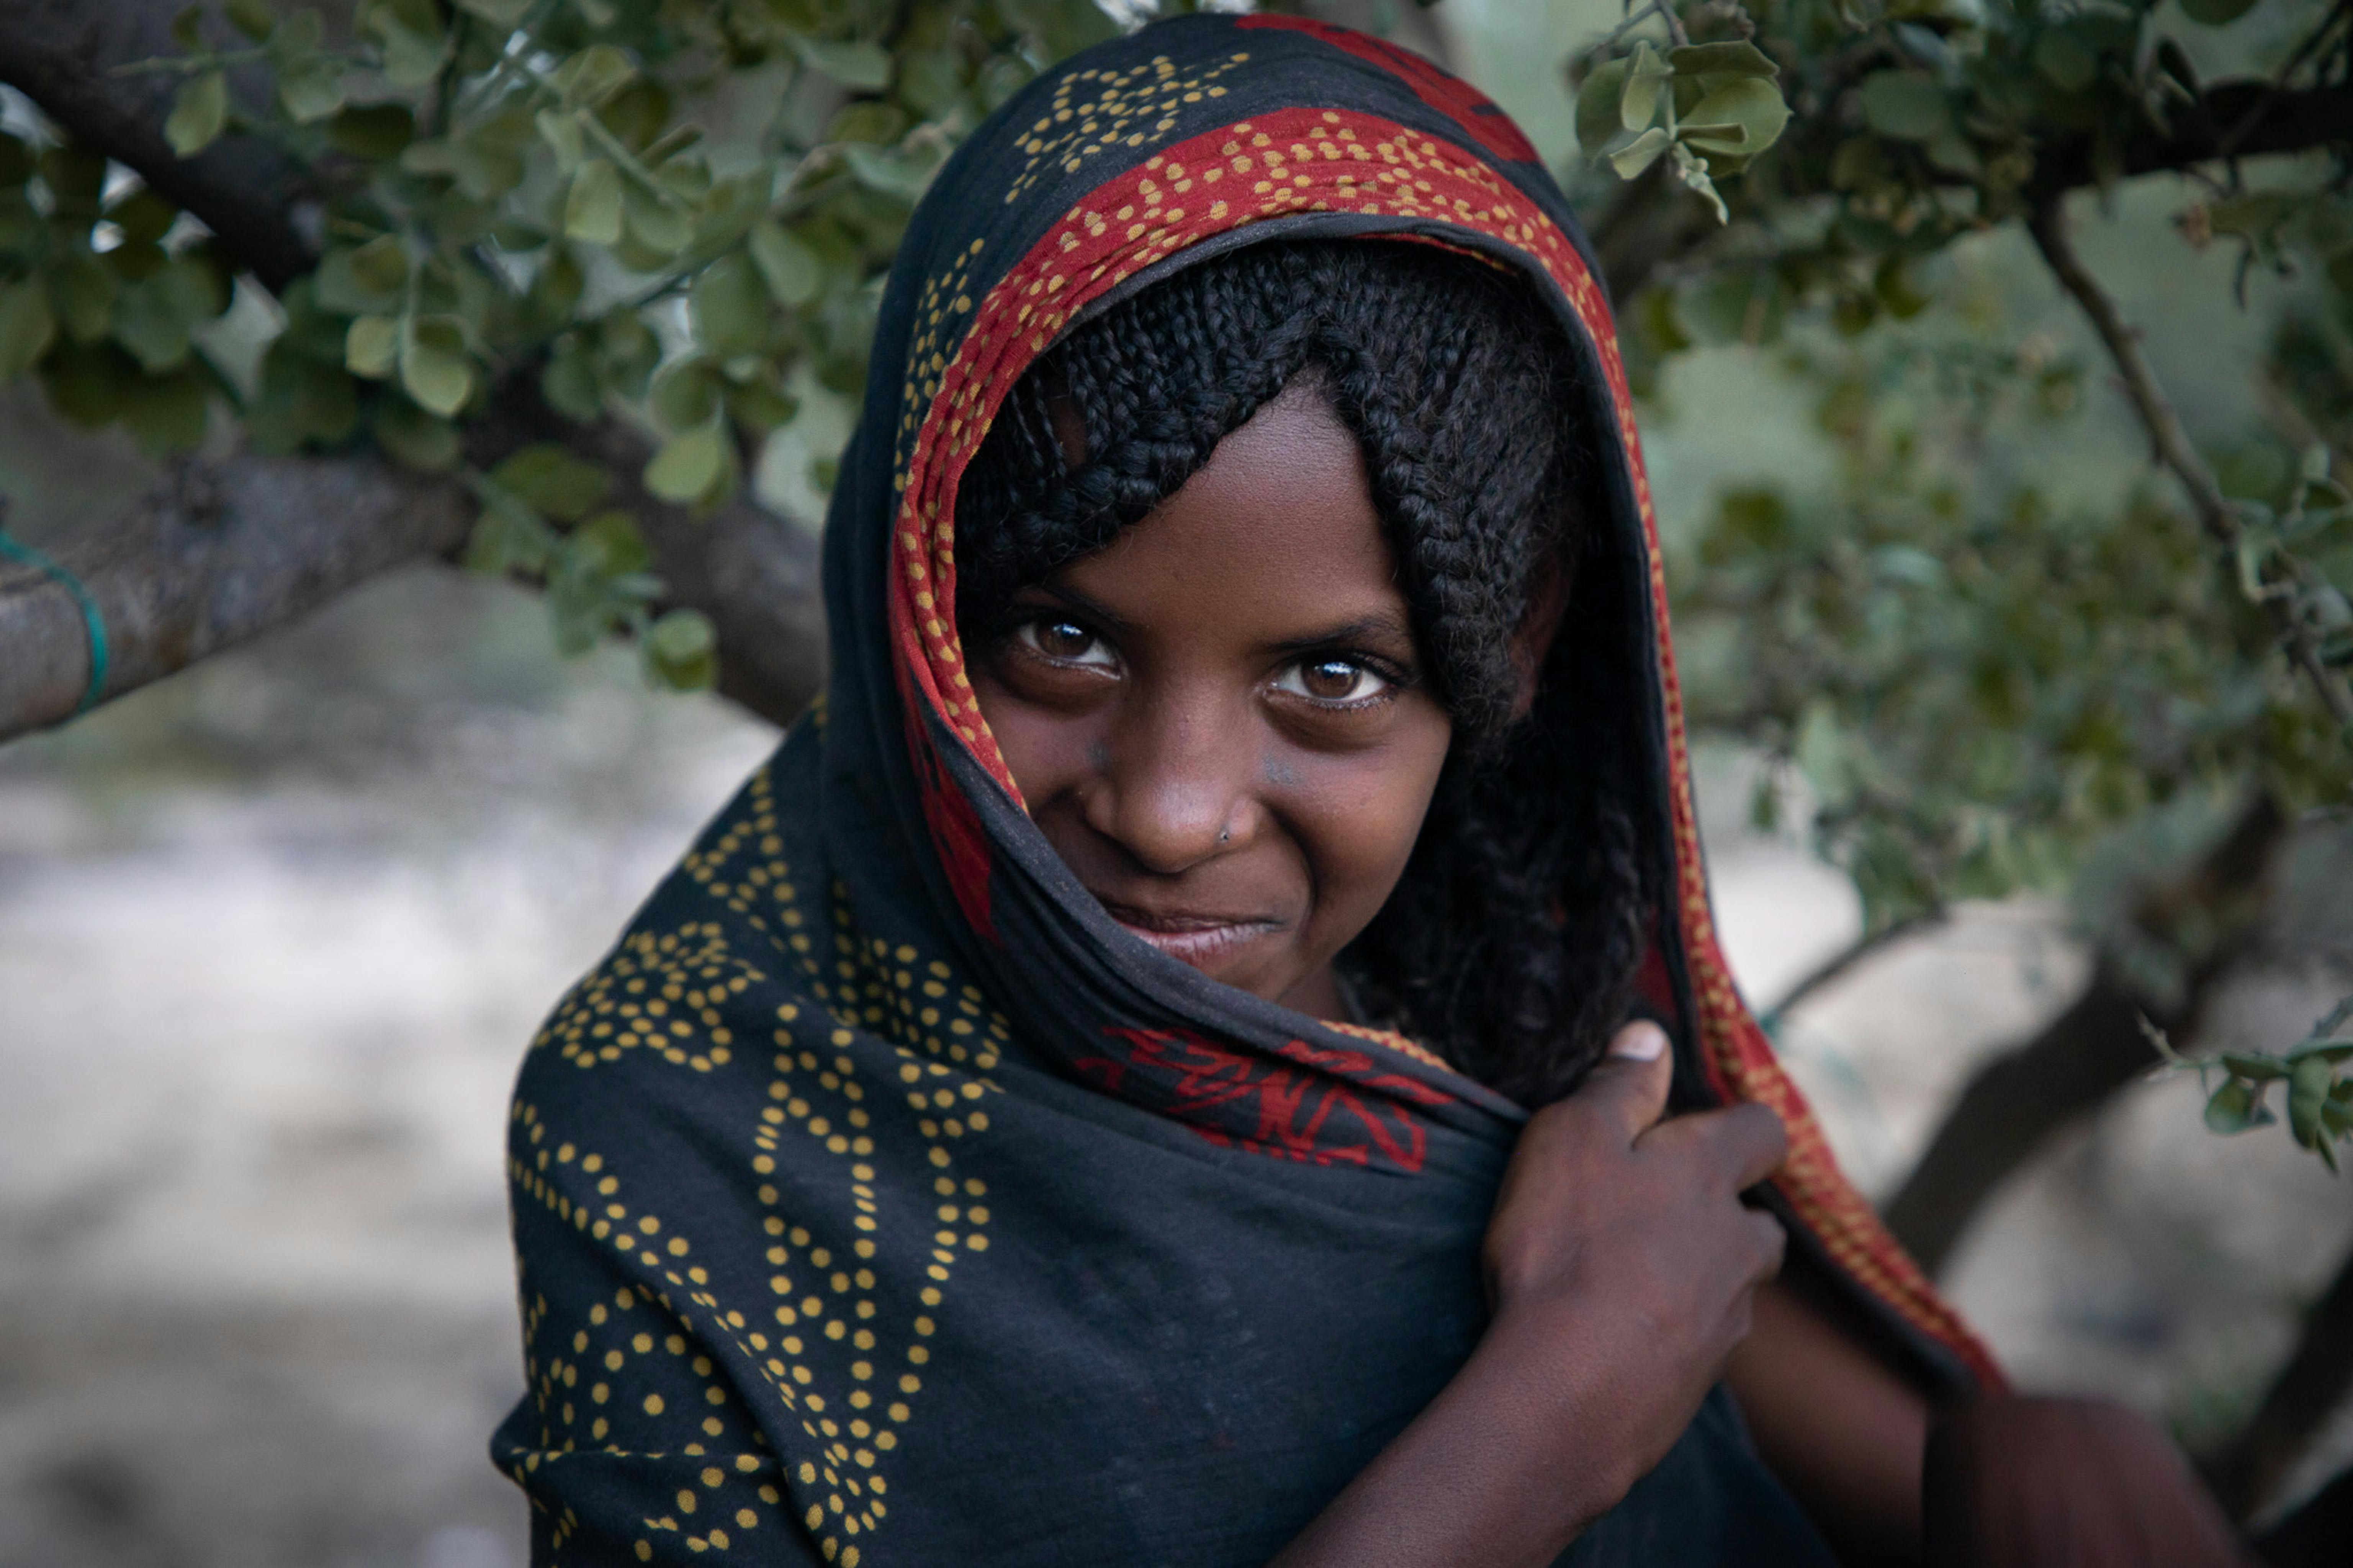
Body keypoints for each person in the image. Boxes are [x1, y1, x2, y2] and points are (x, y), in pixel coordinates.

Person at [493, 14, 2247, 1565]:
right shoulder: (676, 1144)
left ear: (1516, 659)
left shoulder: (1505, 1053)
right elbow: (1614, 1360)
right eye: (1059, 638)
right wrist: (1539, 1430)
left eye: (1333, 678)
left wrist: (2022, 1456)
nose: (1174, 811)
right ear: (920, 585)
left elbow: (1899, 1465)